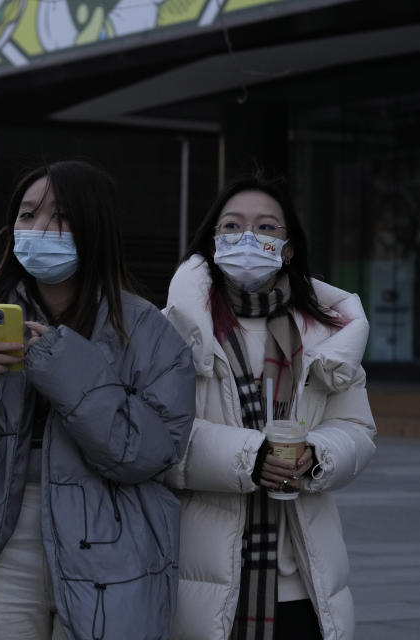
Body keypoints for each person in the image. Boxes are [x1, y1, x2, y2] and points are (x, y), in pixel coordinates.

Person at [0, 160, 198, 640]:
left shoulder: (147, 330)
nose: (39, 229)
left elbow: (151, 452)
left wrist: (68, 370)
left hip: (113, 537)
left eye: (60, 217)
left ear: (95, 227)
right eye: (27, 214)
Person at [162, 173, 377, 640]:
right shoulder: (175, 329)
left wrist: (318, 455)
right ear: (212, 241)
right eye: (232, 226)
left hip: (303, 579)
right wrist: (249, 458)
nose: (248, 238)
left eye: (266, 227)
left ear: (289, 246)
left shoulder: (328, 333)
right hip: (205, 577)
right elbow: (156, 438)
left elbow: (357, 428)